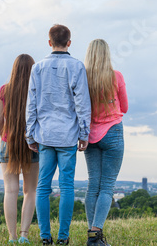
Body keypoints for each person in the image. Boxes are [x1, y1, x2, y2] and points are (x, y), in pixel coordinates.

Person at [26, 24, 91, 245]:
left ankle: (45, 237)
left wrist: (29, 134)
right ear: (69, 42)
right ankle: (63, 237)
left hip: (44, 134)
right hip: (68, 135)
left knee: (43, 186)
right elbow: (82, 104)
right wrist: (84, 133)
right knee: (67, 186)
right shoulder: (77, 67)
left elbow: (31, 104)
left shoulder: (38, 68)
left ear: (49, 42)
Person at [83, 39, 128, 246]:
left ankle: (92, 234)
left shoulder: (83, 79)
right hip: (112, 132)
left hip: (90, 136)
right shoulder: (116, 77)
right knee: (107, 186)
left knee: (93, 185)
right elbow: (125, 107)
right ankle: (95, 235)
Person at [0, 54, 39, 244]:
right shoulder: (37, 90)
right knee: (30, 191)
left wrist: (4, 137)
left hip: (8, 143)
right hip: (32, 144)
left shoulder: (4, 90)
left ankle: (12, 237)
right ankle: (24, 236)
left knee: (10, 191)